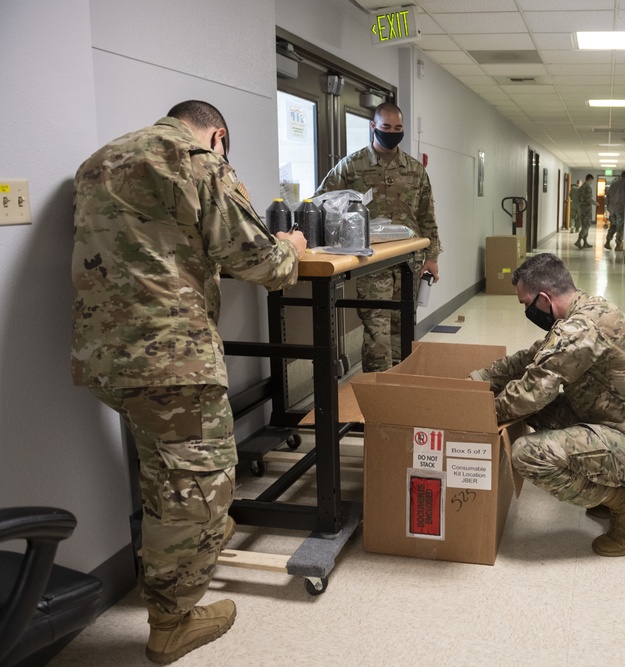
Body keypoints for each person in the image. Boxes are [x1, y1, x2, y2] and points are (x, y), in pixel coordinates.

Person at [71, 100, 307, 664]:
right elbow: (265, 264)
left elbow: (144, 249)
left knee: (164, 468)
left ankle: (189, 550)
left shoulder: (96, 163)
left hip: (104, 354)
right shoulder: (199, 161)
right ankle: (171, 620)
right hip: (171, 358)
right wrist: (293, 247)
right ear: (218, 135)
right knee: (197, 485)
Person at [470, 254, 625, 556]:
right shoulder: (587, 310)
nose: (526, 310)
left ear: (544, 298)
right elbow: (529, 359)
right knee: (545, 408)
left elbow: (530, 393)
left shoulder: (579, 330)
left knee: (529, 454)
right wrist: (476, 380)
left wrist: (472, 413)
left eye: (526, 303)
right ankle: (618, 487)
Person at [315, 102, 441, 372]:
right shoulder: (352, 165)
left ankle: (401, 382)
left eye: (398, 128)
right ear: (373, 126)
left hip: (410, 261)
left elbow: (427, 216)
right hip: (373, 262)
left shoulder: (415, 170)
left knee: (403, 323)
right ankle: (378, 390)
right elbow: (322, 202)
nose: (392, 132)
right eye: (386, 127)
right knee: (377, 327)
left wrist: (432, 257)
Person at [604, 170, 625, 251]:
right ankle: (618, 244)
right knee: (620, 227)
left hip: (612, 208)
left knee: (613, 226)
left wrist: (608, 206)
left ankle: (607, 242)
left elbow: (607, 195)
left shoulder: (613, 183)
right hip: (620, 209)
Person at [574, 174, 596, 249]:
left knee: (584, 225)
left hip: (581, 209)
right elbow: (589, 199)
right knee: (586, 226)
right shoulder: (588, 188)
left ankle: (585, 242)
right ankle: (578, 240)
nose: (592, 182)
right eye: (592, 180)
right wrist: (595, 203)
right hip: (587, 209)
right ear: (589, 179)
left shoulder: (580, 188)